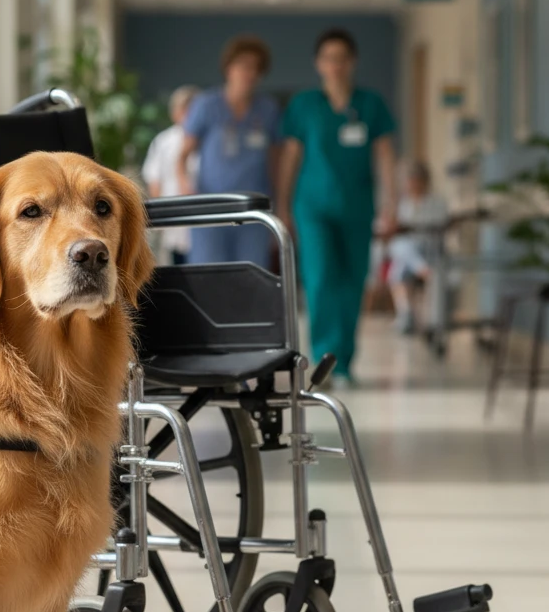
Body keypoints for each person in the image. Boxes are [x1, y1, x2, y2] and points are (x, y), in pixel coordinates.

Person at [277, 27, 398, 387]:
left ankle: (345, 362)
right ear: (319, 64)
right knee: (321, 278)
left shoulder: (371, 104)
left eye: (342, 58)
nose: (336, 65)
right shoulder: (305, 105)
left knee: (352, 280)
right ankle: (326, 358)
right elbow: (290, 157)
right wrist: (282, 204)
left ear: (352, 62)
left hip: (358, 206)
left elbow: (386, 155)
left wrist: (392, 204)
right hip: (313, 207)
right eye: (329, 58)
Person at [177, 35, 280, 268]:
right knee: (210, 273)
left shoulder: (268, 110)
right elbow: (182, 156)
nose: (249, 73)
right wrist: (185, 184)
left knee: (251, 273)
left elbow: (276, 162)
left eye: (255, 68)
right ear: (228, 68)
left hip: (254, 209)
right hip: (211, 208)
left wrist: (281, 204)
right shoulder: (206, 105)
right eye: (243, 65)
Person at [388, 159, 449, 335]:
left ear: (424, 180)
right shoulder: (403, 203)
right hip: (410, 251)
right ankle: (406, 314)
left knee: (399, 266)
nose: (412, 184)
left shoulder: (437, 202)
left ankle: (406, 317)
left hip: (431, 249)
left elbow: (437, 227)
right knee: (400, 251)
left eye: (416, 179)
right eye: (410, 180)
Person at [141, 85, 200, 265]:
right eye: (184, 110)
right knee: (179, 264)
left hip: (202, 215)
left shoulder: (209, 139)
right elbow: (154, 178)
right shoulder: (164, 141)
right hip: (175, 216)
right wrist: (159, 213)